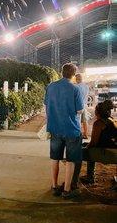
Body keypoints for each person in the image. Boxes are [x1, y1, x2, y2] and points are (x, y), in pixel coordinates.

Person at [44, 63, 84, 199]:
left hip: (55, 128)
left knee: (55, 158)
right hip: (71, 129)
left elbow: (46, 105)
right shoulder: (75, 89)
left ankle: (54, 186)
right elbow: (79, 110)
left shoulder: (50, 87)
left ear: (62, 72)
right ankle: (67, 190)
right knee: (71, 160)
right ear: (73, 74)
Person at [72, 100, 117, 186]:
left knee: (78, 152)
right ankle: (90, 177)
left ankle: (74, 180)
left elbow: (93, 143)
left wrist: (84, 148)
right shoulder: (110, 119)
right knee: (86, 147)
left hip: (107, 153)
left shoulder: (98, 123)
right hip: (112, 148)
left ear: (98, 112)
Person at [75, 73, 90, 138]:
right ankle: (86, 134)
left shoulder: (76, 87)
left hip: (78, 106)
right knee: (84, 120)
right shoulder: (86, 86)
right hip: (84, 105)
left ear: (77, 79)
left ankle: (78, 134)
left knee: (77, 120)